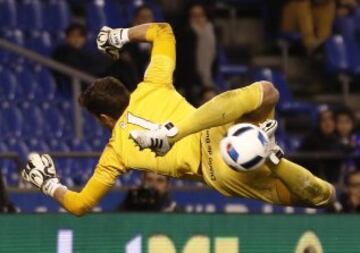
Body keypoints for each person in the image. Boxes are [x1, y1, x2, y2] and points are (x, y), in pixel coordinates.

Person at [22, 22, 335, 217]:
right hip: (220, 127)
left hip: (219, 171)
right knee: (267, 92)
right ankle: (265, 152)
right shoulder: (152, 83)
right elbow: (163, 32)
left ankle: (271, 158)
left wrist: (49, 184)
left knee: (322, 196)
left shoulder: (114, 153)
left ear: (103, 117)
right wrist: (120, 36)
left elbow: (80, 205)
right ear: (125, 91)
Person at [175, 3, 218, 104]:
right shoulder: (184, 37)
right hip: (187, 85)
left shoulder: (211, 34)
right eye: (194, 16)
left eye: (201, 15)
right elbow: (183, 67)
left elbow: (215, 65)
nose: (198, 19)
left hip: (208, 83)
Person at [300, 105, 341, 182]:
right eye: (323, 120)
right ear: (318, 122)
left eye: (331, 119)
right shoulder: (310, 140)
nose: (328, 123)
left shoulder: (339, 137)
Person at [122, 5, 155, 81]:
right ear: (135, 21)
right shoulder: (126, 44)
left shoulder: (159, 40)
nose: (146, 21)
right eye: (143, 18)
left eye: (149, 17)